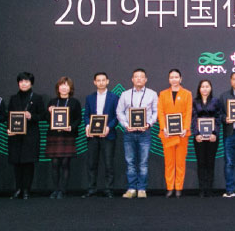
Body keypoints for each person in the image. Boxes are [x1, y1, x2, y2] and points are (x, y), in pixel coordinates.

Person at [117, 69, 159, 198]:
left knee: (143, 162)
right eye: (136, 76)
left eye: (141, 77)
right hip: (129, 133)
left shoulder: (152, 94)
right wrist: (126, 125)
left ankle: (141, 188)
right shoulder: (125, 94)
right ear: (132, 79)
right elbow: (119, 112)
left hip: (145, 132)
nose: (139, 79)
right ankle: (131, 188)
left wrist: (149, 124)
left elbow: (156, 112)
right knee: (130, 161)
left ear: (146, 79)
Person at [6, 72, 46, 199]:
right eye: (21, 81)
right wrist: (9, 129)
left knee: (28, 163)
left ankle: (26, 190)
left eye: (27, 81)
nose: (24, 84)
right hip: (16, 135)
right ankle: (18, 189)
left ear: (31, 83)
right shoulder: (13, 98)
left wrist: (31, 116)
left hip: (31, 135)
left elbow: (43, 116)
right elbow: (9, 116)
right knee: (17, 163)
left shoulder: (37, 98)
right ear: (18, 83)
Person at [81, 72, 120, 198]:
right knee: (92, 163)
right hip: (93, 136)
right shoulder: (89, 98)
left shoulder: (114, 97)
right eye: (98, 80)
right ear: (94, 82)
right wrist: (88, 125)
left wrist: (108, 127)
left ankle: (109, 189)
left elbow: (117, 116)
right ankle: (91, 189)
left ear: (107, 81)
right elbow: (86, 115)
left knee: (108, 164)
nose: (101, 82)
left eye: (103, 80)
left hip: (108, 135)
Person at [44, 77, 84, 199]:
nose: (64, 87)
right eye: (61, 85)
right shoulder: (52, 102)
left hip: (68, 136)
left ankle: (63, 190)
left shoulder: (74, 102)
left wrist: (71, 127)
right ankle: (55, 189)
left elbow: (78, 119)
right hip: (54, 136)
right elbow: (46, 119)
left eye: (66, 85)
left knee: (65, 163)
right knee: (55, 163)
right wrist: (49, 112)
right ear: (58, 88)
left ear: (70, 88)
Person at [157, 69, 194, 197]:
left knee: (180, 162)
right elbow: (160, 112)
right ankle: (169, 187)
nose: (174, 79)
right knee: (169, 163)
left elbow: (189, 112)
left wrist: (185, 128)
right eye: (171, 77)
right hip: (167, 134)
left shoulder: (187, 94)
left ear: (180, 79)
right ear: (169, 80)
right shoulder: (162, 94)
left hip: (182, 134)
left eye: (176, 77)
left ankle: (178, 188)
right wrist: (164, 128)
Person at [191, 79, 220, 197]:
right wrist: (196, 134)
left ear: (211, 88)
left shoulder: (216, 101)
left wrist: (215, 133)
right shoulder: (194, 102)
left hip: (212, 137)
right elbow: (193, 119)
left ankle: (209, 188)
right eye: (202, 86)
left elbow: (218, 118)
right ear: (199, 89)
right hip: (199, 137)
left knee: (210, 162)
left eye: (207, 86)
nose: (205, 89)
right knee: (201, 162)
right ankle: (202, 189)